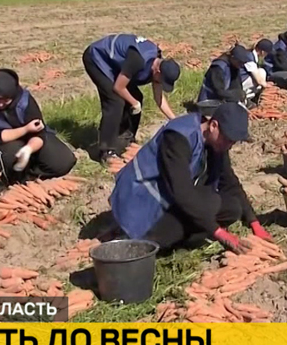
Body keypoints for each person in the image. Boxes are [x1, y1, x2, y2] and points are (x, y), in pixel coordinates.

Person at [109, 102, 270, 253]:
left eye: (233, 142)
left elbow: (229, 182)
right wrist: (219, 233)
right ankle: (137, 240)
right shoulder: (177, 138)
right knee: (172, 231)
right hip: (141, 203)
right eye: (228, 140)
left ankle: (186, 234)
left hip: (171, 199)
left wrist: (254, 223)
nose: (229, 146)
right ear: (213, 126)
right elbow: (182, 193)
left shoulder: (217, 142)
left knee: (232, 208)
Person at [82, 34, 181, 159]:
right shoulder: (137, 61)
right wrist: (134, 103)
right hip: (97, 58)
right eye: (162, 80)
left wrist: (175, 120)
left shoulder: (159, 64)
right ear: (158, 71)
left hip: (117, 65)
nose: (161, 83)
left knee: (136, 96)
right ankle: (106, 151)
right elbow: (118, 87)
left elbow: (158, 98)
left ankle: (126, 138)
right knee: (115, 101)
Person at [0, 69, 77, 180]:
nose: (0, 104)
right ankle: (10, 180)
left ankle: (31, 176)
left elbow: (39, 133)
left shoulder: (24, 101)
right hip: (0, 146)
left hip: (30, 140)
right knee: (13, 152)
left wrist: (29, 149)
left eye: (6, 100)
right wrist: (26, 129)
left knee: (63, 160)